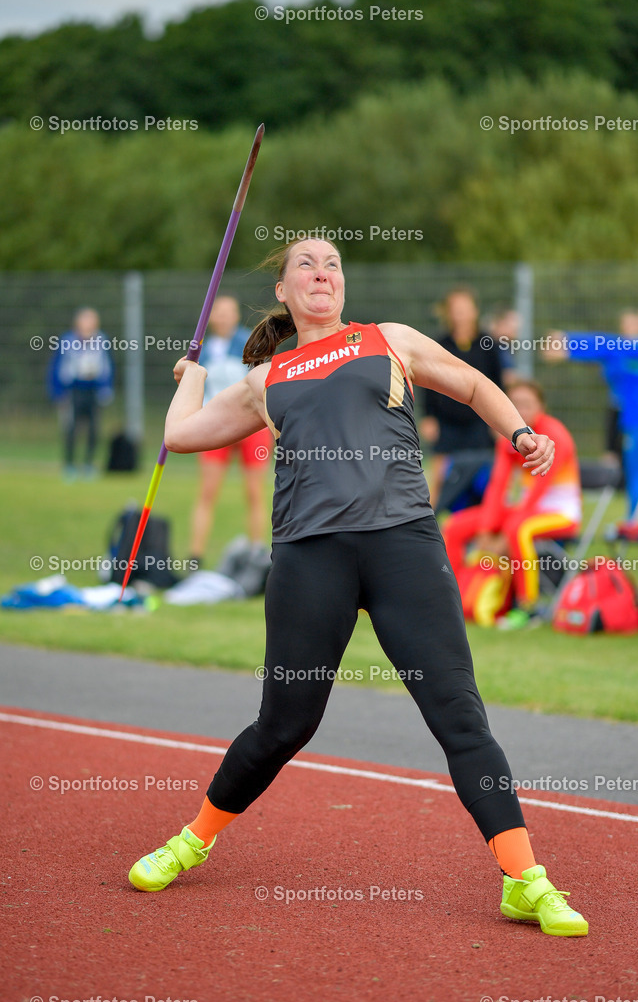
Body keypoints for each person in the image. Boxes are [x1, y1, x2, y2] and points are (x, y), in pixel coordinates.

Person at [128, 238, 588, 938]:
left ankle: (526, 881)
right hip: (311, 558)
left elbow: (472, 385)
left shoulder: (388, 339)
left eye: (333, 265)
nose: (323, 273)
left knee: (460, 717)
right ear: (283, 291)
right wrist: (190, 374)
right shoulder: (265, 378)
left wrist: (520, 432)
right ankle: (193, 840)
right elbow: (183, 434)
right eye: (306, 265)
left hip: (404, 548)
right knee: (283, 725)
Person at [442, 379, 581, 629]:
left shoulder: (554, 435)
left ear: (541, 407)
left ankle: (528, 608)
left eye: (527, 404)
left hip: (560, 513)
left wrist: (502, 536)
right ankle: (450, 598)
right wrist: (485, 529)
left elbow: (537, 492)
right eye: (515, 404)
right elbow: (498, 486)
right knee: (455, 525)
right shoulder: (509, 436)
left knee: (518, 529)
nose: (521, 410)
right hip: (523, 510)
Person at [544, 307, 638, 518]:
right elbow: (608, 354)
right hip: (636, 420)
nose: (637, 322)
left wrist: (568, 341)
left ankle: (634, 525)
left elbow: (609, 345)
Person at [188, 296, 272, 566]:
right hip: (216, 425)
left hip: (251, 426)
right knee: (207, 491)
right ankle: (195, 557)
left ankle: (257, 554)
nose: (224, 317)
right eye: (219, 312)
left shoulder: (250, 343)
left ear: (236, 316)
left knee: (254, 492)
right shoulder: (201, 349)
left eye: (229, 312)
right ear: (211, 317)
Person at [420, 287, 503, 513]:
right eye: (456, 309)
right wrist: (429, 417)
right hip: (447, 423)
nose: (461, 314)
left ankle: (482, 524)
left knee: (484, 477)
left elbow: (497, 384)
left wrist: (498, 421)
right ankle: (431, 523)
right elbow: (427, 381)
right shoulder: (439, 344)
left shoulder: (488, 344)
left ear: (475, 311)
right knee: (440, 479)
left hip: (480, 422)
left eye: (465, 309)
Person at [47, 307, 114, 481]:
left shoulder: (101, 340)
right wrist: (57, 391)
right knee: (70, 429)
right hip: (73, 391)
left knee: (94, 429)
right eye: (86, 320)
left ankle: (88, 465)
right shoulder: (67, 340)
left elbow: (107, 367)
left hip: (93, 391)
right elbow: (56, 366)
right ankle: (69, 466)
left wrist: (106, 388)